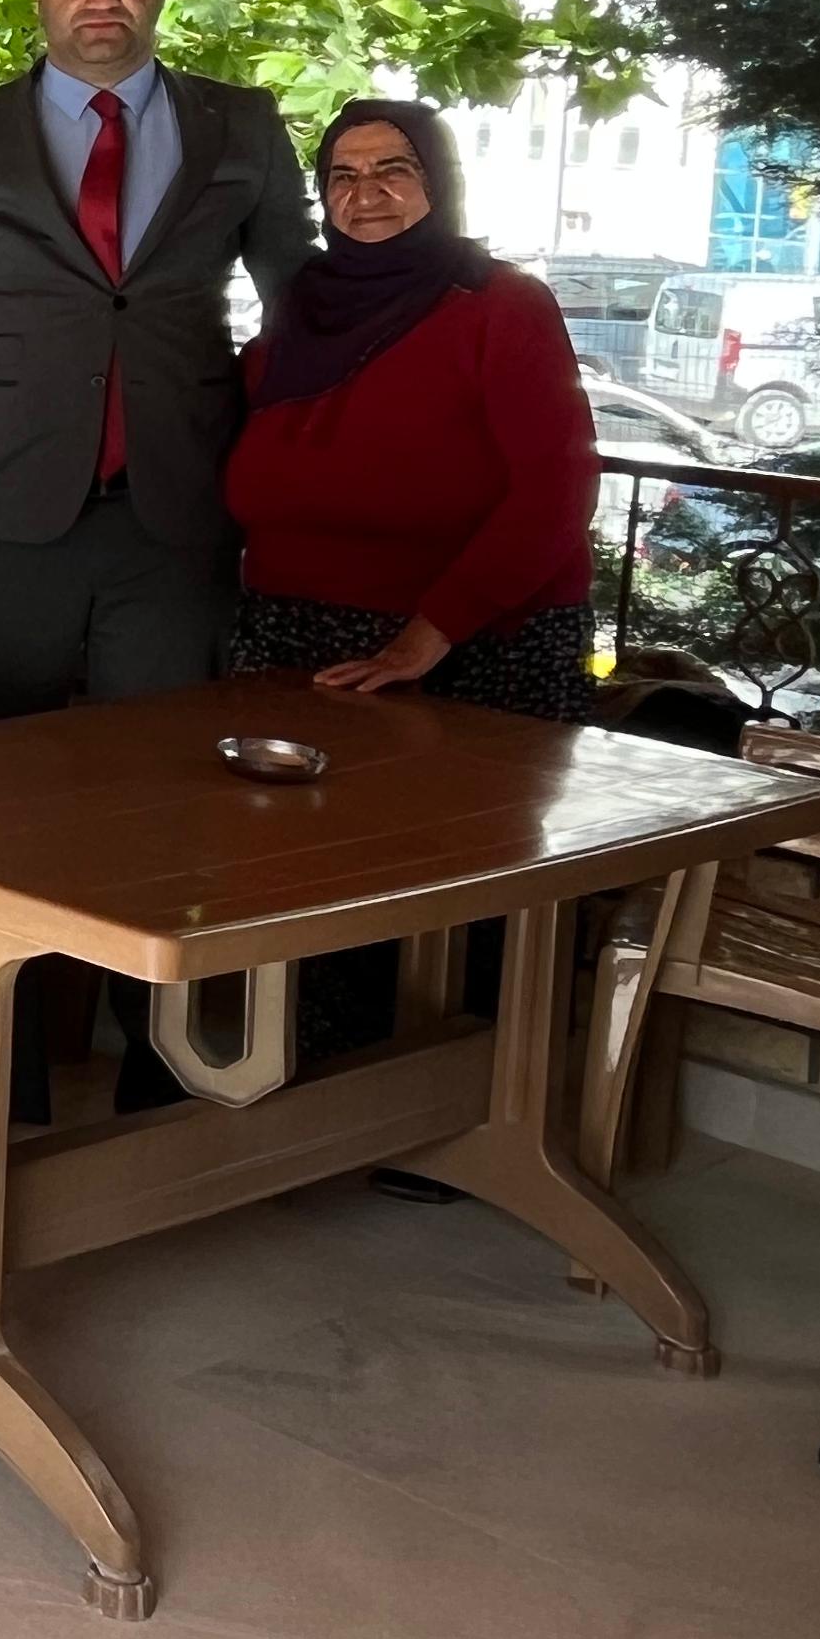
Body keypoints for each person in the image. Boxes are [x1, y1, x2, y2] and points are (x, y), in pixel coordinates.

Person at [0, 0, 315, 717]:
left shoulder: (242, 125)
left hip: (180, 505)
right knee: (0, 759)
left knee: (158, 757)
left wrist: (286, 478)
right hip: (1, 504)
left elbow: (299, 308)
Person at [221, 99, 598, 1069]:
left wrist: (433, 631)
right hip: (300, 637)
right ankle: (319, 1090)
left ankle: (473, 1096)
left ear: (438, 183)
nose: (368, 193)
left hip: (472, 647)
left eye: (394, 169)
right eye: (343, 176)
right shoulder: (303, 307)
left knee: (463, 889)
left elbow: (557, 489)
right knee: (311, 883)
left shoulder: (500, 305)